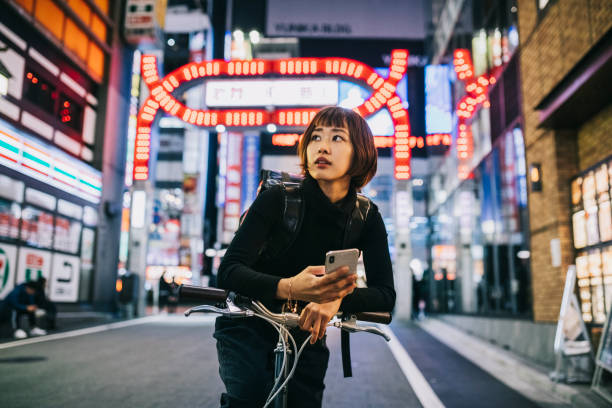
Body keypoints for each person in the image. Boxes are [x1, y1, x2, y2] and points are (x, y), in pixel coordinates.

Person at [214, 106, 396, 407]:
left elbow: (385, 294)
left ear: (360, 153)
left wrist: (334, 300)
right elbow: (230, 271)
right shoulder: (277, 198)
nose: (322, 146)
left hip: (306, 332)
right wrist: (290, 287)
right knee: (249, 394)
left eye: (337, 138)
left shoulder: (366, 216)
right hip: (248, 322)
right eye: (315, 138)